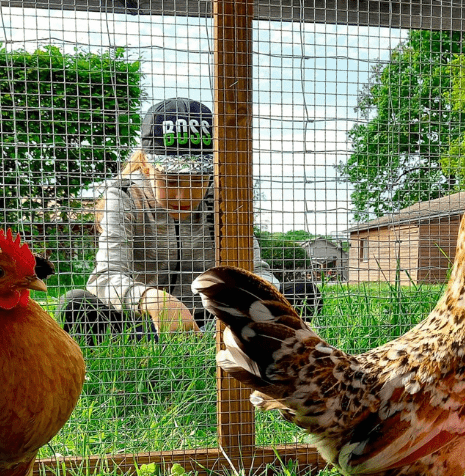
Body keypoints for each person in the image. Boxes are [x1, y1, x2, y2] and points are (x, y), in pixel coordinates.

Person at [55, 97, 320, 344]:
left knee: (303, 292)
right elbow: (105, 278)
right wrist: (150, 299)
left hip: (214, 316)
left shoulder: (222, 198)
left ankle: (210, 335)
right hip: (140, 319)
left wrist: (266, 303)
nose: (183, 195)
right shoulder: (124, 195)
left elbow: (255, 271)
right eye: (170, 180)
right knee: (75, 305)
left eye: (197, 180)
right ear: (147, 165)